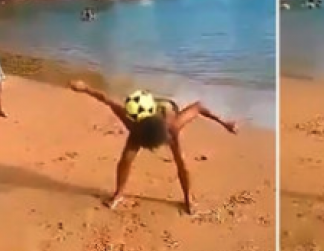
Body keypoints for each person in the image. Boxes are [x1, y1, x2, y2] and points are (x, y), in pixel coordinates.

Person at [69, 79, 238, 214]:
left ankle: (188, 199)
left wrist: (225, 122)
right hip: (144, 115)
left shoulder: (173, 127)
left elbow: (198, 107)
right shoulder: (131, 123)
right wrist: (85, 88)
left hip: (166, 109)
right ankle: (118, 193)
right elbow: (107, 100)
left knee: (182, 163)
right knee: (126, 159)